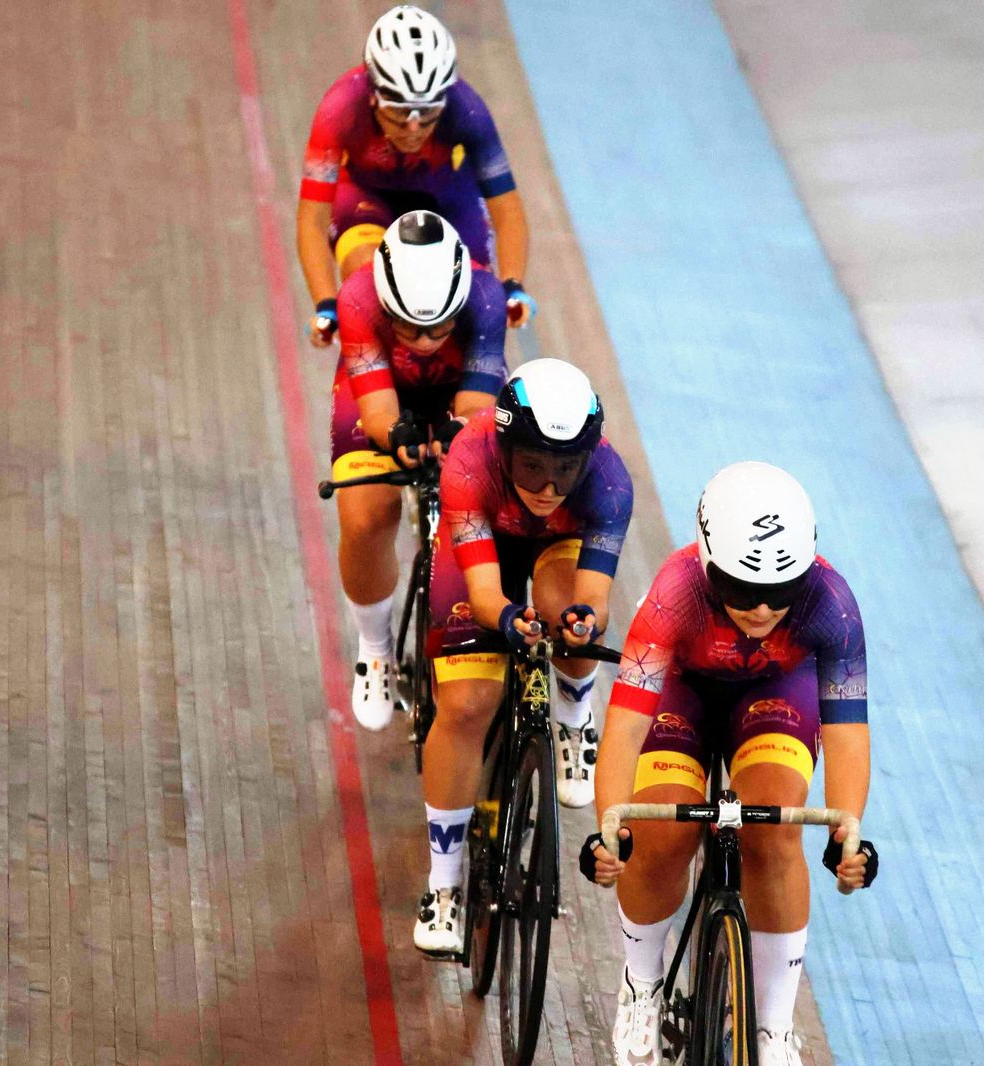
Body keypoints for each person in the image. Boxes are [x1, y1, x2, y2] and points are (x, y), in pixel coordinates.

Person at [581, 462, 875, 1066]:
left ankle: (772, 1024)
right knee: (661, 832)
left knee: (775, 828)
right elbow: (625, 727)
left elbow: (847, 734)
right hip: (681, 692)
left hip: (774, 697)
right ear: (709, 564)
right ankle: (642, 983)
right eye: (742, 591)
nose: (762, 610)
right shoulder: (674, 593)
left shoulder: (832, 603)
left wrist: (849, 832)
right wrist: (612, 828)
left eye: (780, 592)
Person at [412, 359, 634, 957]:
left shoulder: (610, 482)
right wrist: (508, 617)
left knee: (572, 624)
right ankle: (444, 885)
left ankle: (574, 714)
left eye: (566, 470)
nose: (548, 486)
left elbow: (595, 597)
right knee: (467, 702)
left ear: (588, 459)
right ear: (505, 448)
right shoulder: (469, 460)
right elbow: (485, 594)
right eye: (532, 466)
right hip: (480, 537)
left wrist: (582, 622)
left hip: (556, 544)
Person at [330, 209, 509, 729]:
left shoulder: (486, 296)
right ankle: (375, 647)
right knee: (367, 514)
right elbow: (379, 410)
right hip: (383, 393)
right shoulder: (359, 298)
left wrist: (456, 438)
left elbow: (477, 403)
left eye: (440, 326)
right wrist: (400, 439)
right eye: (411, 327)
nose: (427, 340)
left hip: (458, 396)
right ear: (387, 304)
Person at [297, 4, 534, 351]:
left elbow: (507, 210)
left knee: (470, 305)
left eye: (427, 113)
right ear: (374, 97)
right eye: (399, 110)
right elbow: (312, 220)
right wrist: (326, 303)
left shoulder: (467, 109)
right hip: (366, 197)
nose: (413, 126)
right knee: (366, 277)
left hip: (447, 200)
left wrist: (512, 284)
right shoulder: (340, 108)